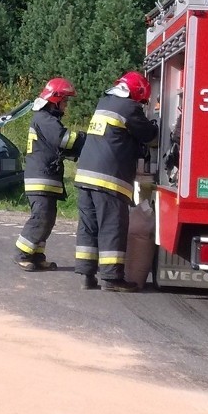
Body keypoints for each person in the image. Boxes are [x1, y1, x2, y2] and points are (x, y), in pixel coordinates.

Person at [74, 70, 158, 292]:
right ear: (136, 94)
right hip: (109, 180)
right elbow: (150, 136)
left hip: (85, 176)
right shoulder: (129, 108)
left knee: (89, 227)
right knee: (112, 227)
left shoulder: (104, 102)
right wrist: (155, 122)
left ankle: (87, 275)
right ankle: (112, 279)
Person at [15, 77, 84, 271]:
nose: (66, 106)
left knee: (48, 218)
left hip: (46, 178)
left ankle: (37, 256)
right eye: (65, 102)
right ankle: (22, 254)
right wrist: (85, 139)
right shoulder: (45, 119)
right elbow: (64, 140)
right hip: (40, 179)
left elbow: (59, 148)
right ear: (55, 100)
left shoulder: (46, 119)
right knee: (40, 217)